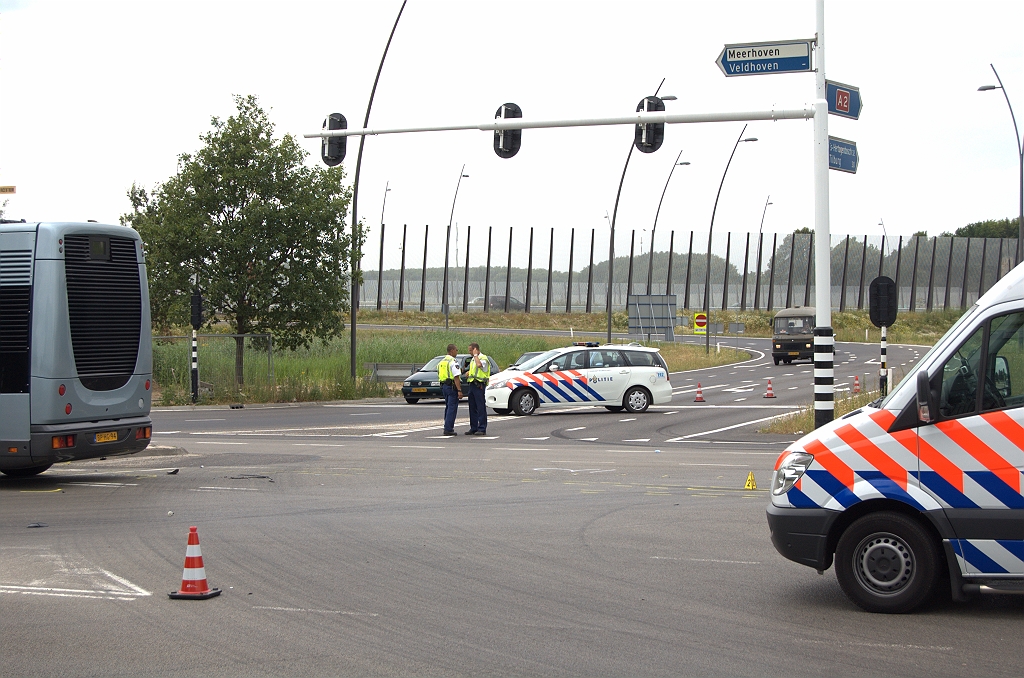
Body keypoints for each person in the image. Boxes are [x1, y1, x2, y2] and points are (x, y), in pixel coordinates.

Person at [464, 342, 491, 435]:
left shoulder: (483, 358)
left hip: (479, 385)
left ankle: (482, 428)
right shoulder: (473, 359)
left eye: (471, 350)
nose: (470, 352)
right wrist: (468, 373)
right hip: (472, 384)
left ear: (475, 349)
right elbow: (475, 370)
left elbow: (479, 365)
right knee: (472, 407)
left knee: (480, 407)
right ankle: (474, 427)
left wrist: (475, 355)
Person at [438, 343, 462, 436]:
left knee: (448, 407)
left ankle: (447, 426)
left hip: (444, 386)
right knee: (452, 408)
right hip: (452, 387)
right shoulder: (453, 361)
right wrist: (459, 390)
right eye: (456, 350)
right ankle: (448, 429)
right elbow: (456, 377)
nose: (457, 352)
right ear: (452, 351)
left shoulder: (442, 362)